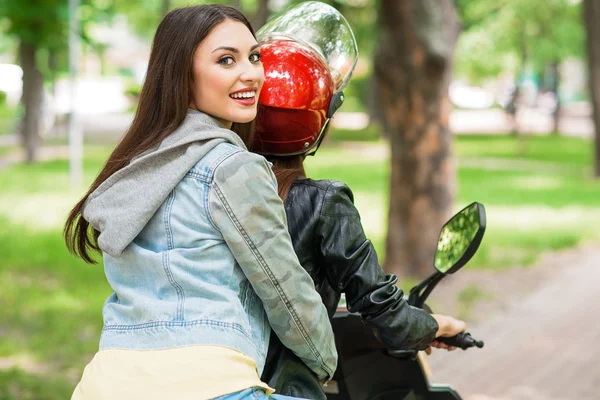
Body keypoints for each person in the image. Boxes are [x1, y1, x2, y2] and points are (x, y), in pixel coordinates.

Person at [63, 5, 337, 400]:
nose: (251, 73)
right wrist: (326, 361)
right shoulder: (232, 168)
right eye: (227, 60)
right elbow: (285, 289)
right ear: (181, 75)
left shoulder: (136, 166)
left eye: (254, 56)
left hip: (102, 385)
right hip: (210, 386)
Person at [250, 3, 467, 399]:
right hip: (284, 389)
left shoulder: (213, 189)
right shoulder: (323, 203)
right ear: (320, 122)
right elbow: (387, 315)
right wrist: (440, 325)